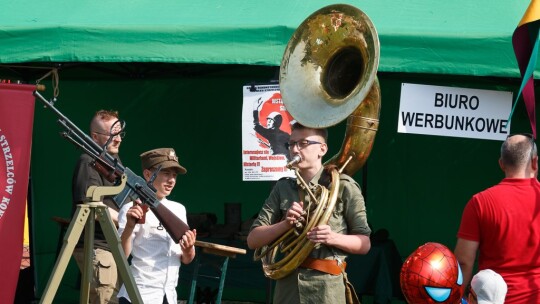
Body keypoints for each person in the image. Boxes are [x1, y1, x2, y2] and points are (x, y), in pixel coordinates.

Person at [247, 122, 371, 303]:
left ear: (322, 149)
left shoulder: (344, 186)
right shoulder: (282, 187)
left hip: (327, 290)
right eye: (291, 144)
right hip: (288, 288)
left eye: (303, 143)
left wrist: (332, 238)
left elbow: (364, 243)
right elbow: (253, 240)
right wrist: (285, 224)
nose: (295, 150)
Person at [454, 133, 540, 303]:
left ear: (501, 164)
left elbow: (463, 262)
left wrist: (455, 299)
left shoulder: (480, 202)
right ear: (535, 162)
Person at [117, 148, 196, 304]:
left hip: (169, 295)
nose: (172, 180)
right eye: (166, 173)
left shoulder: (179, 209)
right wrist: (129, 227)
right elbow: (122, 256)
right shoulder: (132, 208)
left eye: (174, 175)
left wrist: (188, 248)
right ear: (147, 175)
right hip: (139, 294)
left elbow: (186, 259)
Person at [71, 109, 124, 304]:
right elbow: (91, 204)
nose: (118, 139)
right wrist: (126, 218)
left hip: (112, 246)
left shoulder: (112, 160)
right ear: (95, 136)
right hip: (96, 245)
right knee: (107, 299)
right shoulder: (88, 161)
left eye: (119, 134)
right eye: (112, 135)